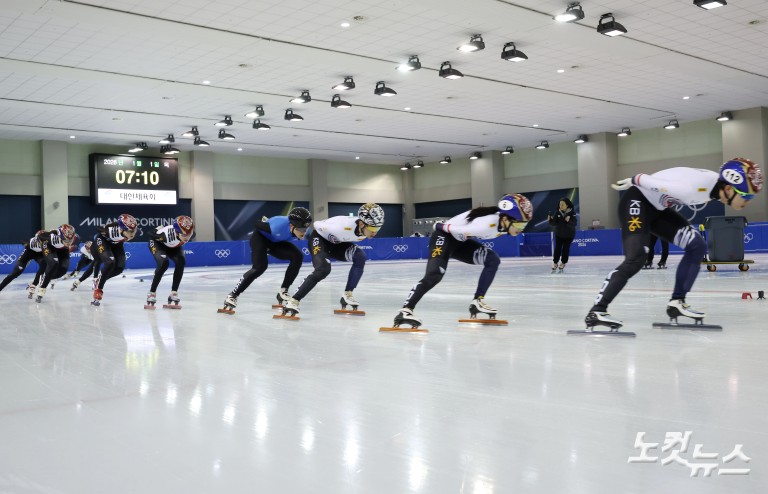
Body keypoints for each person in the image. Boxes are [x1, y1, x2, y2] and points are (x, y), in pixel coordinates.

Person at [586, 158, 763, 329]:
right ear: (729, 189)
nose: (747, 202)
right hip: (637, 201)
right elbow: (645, 179)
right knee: (636, 258)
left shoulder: (715, 185)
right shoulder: (691, 189)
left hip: (658, 209)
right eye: (746, 197)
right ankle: (597, 310)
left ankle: (677, 302)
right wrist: (633, 179)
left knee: (696, 245)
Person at [392, 194, 533, 328]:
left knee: (492, 259)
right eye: (519, 226)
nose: (520, 230)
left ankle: (478, 301)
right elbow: (454, 229)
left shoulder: (503, 223)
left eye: (524, 227)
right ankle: (405, 310)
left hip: (460, 241)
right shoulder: (486, 224)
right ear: (506, 219)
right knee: (434, 274)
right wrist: (438, 226)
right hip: (444, 236)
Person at [281, 203, 385, 316]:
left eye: (378, 227)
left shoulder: (363, 228)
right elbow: (316, 224)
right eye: (372, 228)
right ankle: (293, 301)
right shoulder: (341, 226)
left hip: (336, 243)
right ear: (361, 223)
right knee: (323, 270)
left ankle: (347, 294)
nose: (375, 232)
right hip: (320, 238)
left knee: (360, 256)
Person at [219, 207, 312, 313]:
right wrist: (266, 222)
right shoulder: (277, 225)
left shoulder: (302, 227)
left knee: (297, 256)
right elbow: (256, 223)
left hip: (276, 242)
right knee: (260, 267)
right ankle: (233, 295)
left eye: (305, 229)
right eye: (301, 230)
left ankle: (283, 291)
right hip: (261, 239)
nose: (303, 232)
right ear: (291, 226)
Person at [145, 215, 194, 307]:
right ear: (176, 232)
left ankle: (173, 293)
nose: (187, 237)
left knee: (181, 261)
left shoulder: (187, 232)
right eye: (184, 235)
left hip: (173, 246)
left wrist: (185, 234)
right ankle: (151, 293)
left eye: (189, 234)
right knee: (164, 264)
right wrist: (158, 228)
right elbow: (150, 234)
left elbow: (186, 234)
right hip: (158, 244)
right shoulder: (165, 236)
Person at [90, 214, 138, 305]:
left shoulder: (133, 230)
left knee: (120, 268)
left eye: (134, 231)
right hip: (103, 241)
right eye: (130, 231)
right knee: (110, 262)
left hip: (117, 244)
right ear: (121, 229)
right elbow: (98, 229)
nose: (132, 234)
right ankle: (98, 289)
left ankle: (100, 279)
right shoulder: (109, 231)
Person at [547, 197, 577, 273]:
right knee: (557, 249)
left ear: (567, 205)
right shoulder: (557, 212)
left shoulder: (572, 213)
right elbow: (553, 223)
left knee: (565, 249)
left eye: (563, 204)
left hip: (569, 235)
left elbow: (574, 224)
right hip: (559, 234)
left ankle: (563, 262)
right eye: (560, 204)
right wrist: (550, 220)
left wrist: (569, 221)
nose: (561, 206)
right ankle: (555, 262)